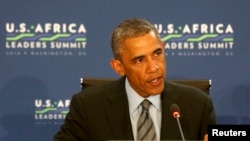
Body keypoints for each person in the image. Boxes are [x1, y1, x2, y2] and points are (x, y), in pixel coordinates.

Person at [53, 17, 216, 141]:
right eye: (139, 60)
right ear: (118, 67)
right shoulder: (87, 107)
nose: (154, 67)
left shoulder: (197, 105)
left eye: (157, 54)